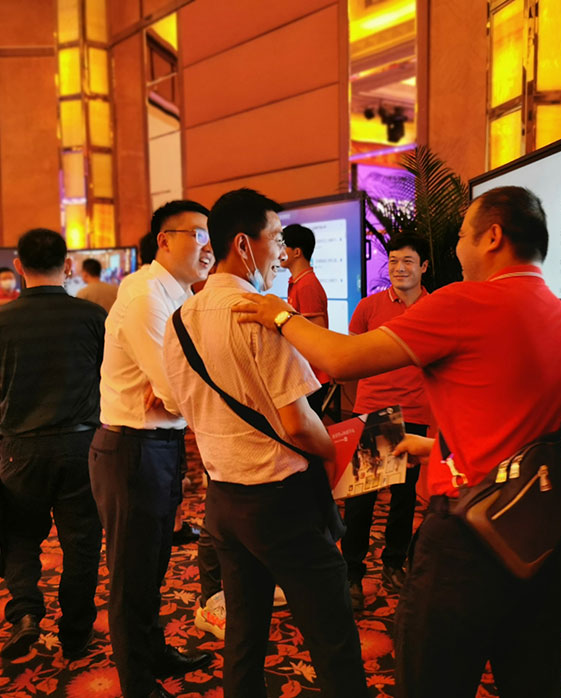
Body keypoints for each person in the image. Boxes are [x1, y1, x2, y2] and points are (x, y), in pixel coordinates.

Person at [235, 186, 561, 698]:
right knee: (531, 681)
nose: (456, 248)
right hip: (548, 535)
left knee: (431, 679)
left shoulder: (466, 302)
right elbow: (518, 423)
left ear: (493, 237)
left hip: (471, 540)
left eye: (462, 235)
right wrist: (437, 448)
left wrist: (279, 315)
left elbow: (342, 360)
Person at [162, 188, 368, 698]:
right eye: (275, 239)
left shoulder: (179, 320)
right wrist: (336, 450)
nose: (282, 252)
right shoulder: (261, 315)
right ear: (243, 244)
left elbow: (181, 405)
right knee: (331, 632)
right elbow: (298, 424)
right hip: (282, 503)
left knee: (244, 633)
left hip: (224, 501)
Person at [89, 199, 215, 698]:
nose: (208, 248)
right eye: (198, 235)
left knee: (154, 564)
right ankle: (137, 683)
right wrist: (176, 390)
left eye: (211, 237)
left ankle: (153, 652)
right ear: (164, 239)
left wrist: (176, 390)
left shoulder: (178, 295)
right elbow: (178, 388)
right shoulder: (146, 296)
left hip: (158, 444)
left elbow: (185, 382)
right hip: (132, 450)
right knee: (132, 574)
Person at [0, 228, 106, 662]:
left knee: (20, 535)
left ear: (18, 266)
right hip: (83, 444)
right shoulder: (92, 316)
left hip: (20, 446)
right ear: (68, 265)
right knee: (81, 542)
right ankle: (76, 632)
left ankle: (26, 611)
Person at [342, 233, 434, 610]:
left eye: (407, 261)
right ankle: (351, 572)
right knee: (361, 501)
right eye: (393, 261)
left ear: (423, 266)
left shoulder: (436, 308)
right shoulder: (369, 307)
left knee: (404, 498)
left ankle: (394, 563)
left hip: (415, 412)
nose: (398, 268)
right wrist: (361, 407)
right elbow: (351, 356)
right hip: (375, 411)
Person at [280, 223, 330, 414]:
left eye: (283, 246)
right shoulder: (298, 282)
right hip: (305, 373)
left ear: (297, 252)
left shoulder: (307, 285)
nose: (278, 252)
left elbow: (317, 333)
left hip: (313, 375)